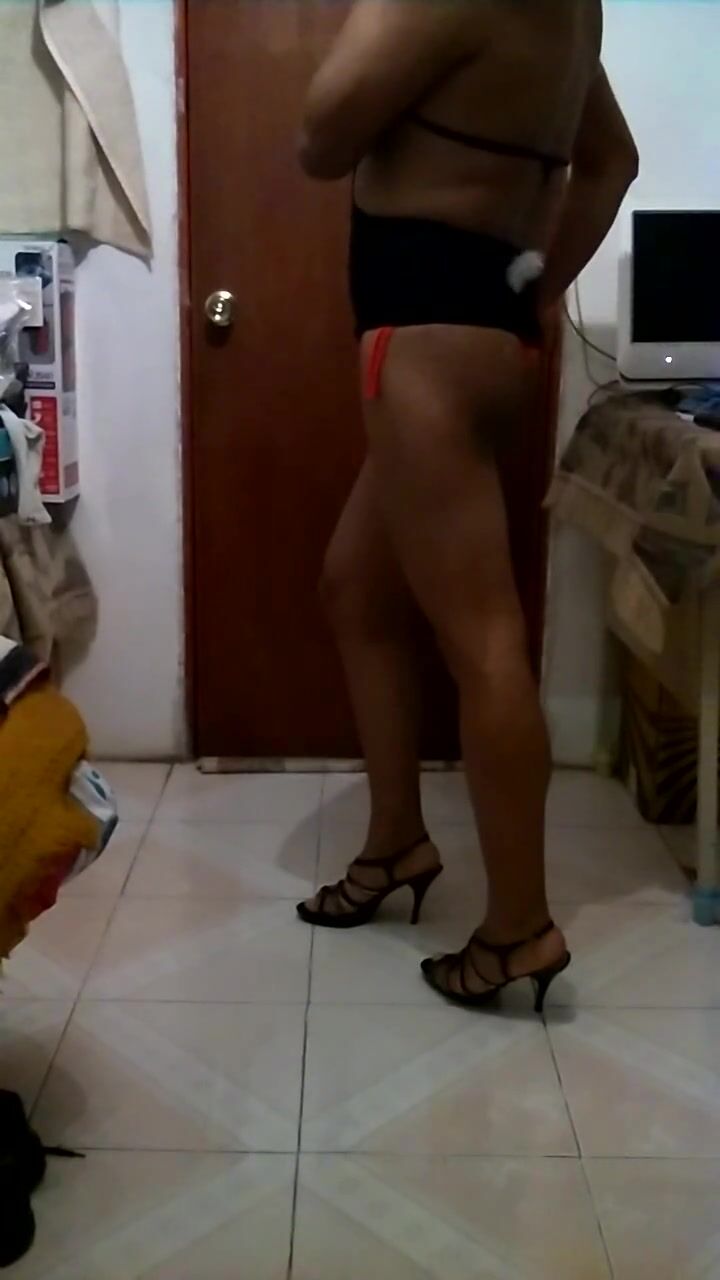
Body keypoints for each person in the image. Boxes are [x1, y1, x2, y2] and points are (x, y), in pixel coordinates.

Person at [296, 0, 639, 1010]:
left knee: (484, 640)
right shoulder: (570, 9)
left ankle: (519, 929)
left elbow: (320, 139)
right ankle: (396, 841)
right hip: (481, 325)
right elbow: (612, 161)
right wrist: (538, 290)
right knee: (355, 586)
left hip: (421, 342)